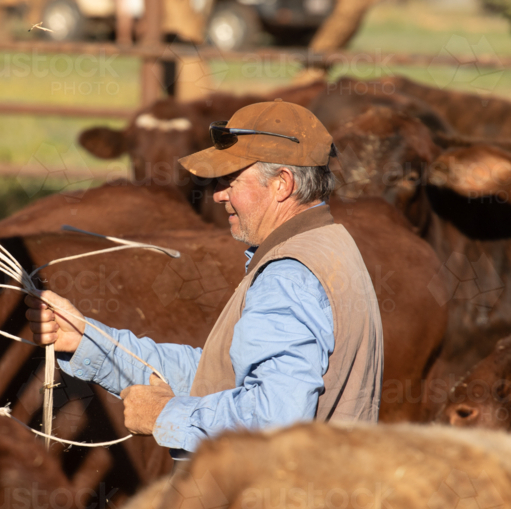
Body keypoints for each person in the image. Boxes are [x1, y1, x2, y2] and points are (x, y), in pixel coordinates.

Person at [26, 100, 383, 456]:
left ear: (281, 184)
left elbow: (277, 421)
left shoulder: (288, 275)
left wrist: (166, 415)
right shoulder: (330, 244)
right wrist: (89, 340)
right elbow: (220, 374)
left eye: (232, 180)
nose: (218, 194)